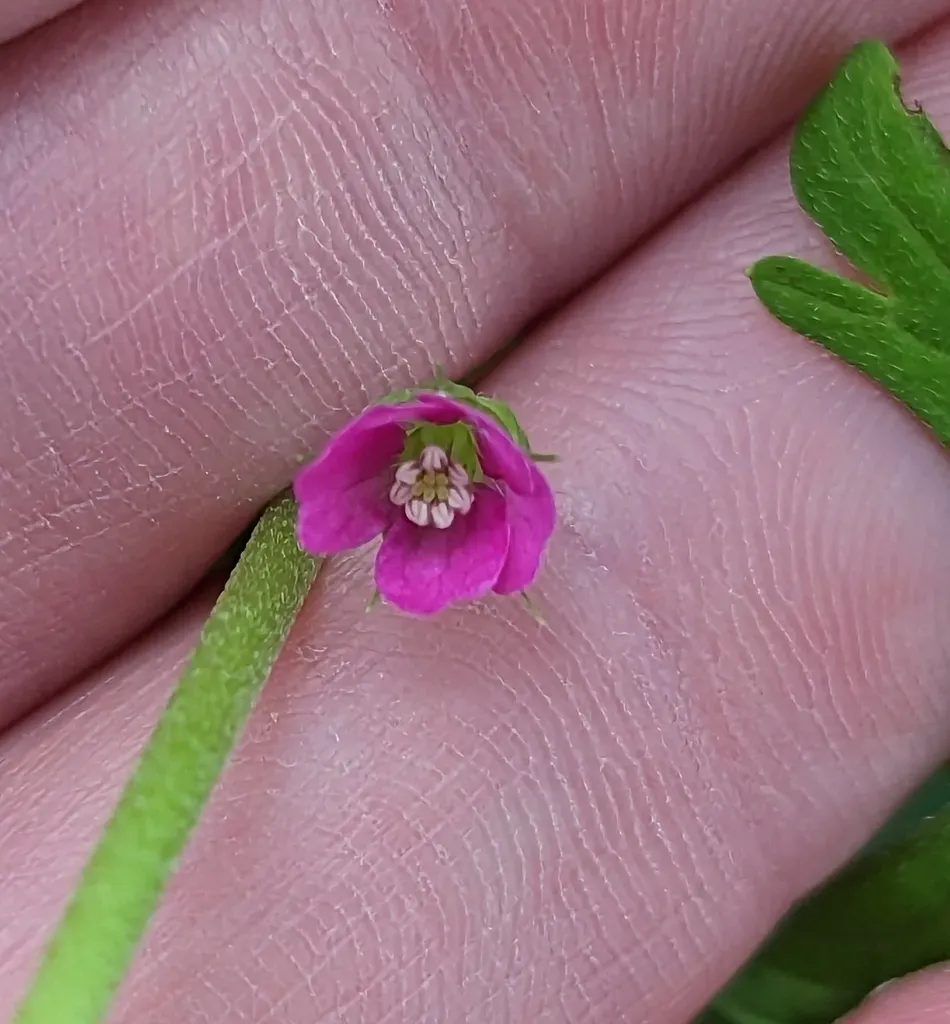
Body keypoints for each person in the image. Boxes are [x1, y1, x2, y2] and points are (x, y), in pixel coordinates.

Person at [1, 1, 950, 1021]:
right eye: (431, 463)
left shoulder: (454, 487)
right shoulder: (385, 481)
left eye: (443, 465)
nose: (432, 478)